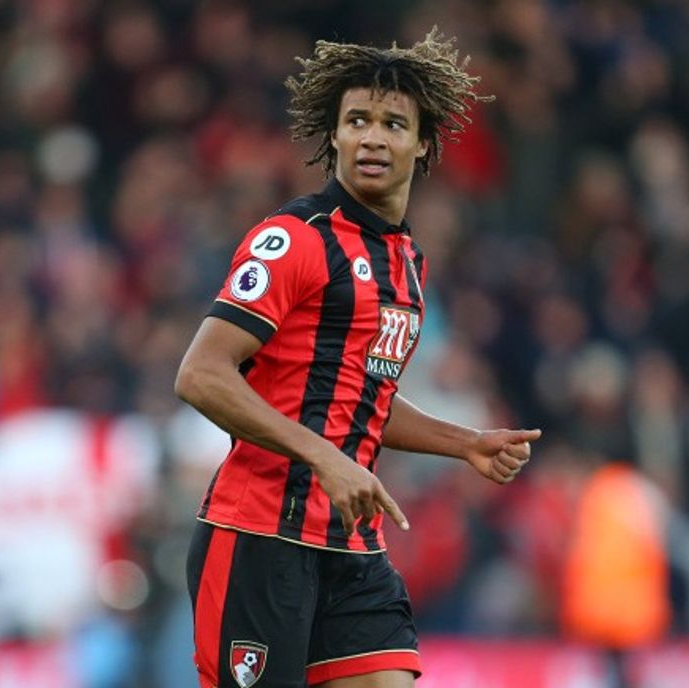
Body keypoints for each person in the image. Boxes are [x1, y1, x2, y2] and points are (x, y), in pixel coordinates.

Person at [175, 28, 541, 688]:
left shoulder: (406, 265)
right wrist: (323, 457)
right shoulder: (292, 241)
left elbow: (359, 396)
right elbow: (200, 374)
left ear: (423, 143)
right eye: (358, 121)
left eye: (393, 124)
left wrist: (466, 443)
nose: (373, 137)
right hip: (259, 540)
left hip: (350, 546)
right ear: (335, 137)